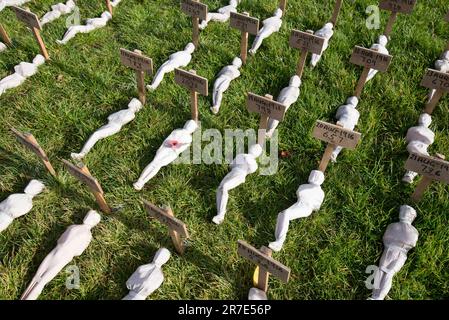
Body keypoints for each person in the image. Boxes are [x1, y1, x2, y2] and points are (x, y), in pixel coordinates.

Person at [21, 210, 101, 300]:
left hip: (57, 250)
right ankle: (30, 297)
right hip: (65, 256)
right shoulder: (88, 235)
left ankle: (25, 295)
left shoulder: (73, 227)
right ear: (95, 223)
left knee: (39, 273)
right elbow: (79, 252)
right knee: (45, 279)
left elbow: (59, 239)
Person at [370, 205, 419, 300]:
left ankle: (378, 297)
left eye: (406, 213)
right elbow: (386, 237)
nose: (404, 214)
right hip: (390, 250)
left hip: (399, 253)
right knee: (381, 270)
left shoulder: (413, 231)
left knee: (389, 273)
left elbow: (411, 243)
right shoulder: (393, 226)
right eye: (403, 212)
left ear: (412, 216)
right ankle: (374, 296)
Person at [269, 170, 325, 252]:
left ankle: (279, 242)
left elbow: (299, 193)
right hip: (302, 206)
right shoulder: (319, 192)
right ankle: (278, 241)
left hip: (305, 208)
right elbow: (317, 206)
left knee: (285, 214)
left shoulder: (304, 187)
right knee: (283, 214)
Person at [134, 120, 198, 190]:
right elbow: (171, 140)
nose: (189, 126)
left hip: (171, 152)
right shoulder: (179, 132)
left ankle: (142, 181)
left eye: (191, 126)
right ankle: (140, 181)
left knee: (157, 165)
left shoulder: (186, 136)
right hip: (167, 149)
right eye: (189, 124)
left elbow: (181, 147)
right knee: (155, 163)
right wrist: (175, 145)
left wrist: (176, 146)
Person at [71, 98, 143, 160]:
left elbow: (120, 119)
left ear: (136, 106)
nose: (131, 102)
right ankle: (82, 153)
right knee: (95, 135)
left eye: (133, 102)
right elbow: (110, 116)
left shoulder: (131, 115)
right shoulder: (124, 111)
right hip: (110, 124)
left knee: (96, 135)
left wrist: (115, 118)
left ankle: (82, 154)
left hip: (114, 126)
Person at [213, 144, 263, 225]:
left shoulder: (254, 164)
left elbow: (250, 170)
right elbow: (232, 165)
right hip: (233, 172)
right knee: (220, 188)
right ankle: (220, 212)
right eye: (254, 148)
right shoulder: (241, 156)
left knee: (225, 187)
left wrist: (247, 160)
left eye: (256, 150)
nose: (254, 150)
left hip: (239, 175)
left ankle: (221, 215)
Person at [402, 113, 435, 183]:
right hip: (419, 147)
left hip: (412, 145)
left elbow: (407, 139)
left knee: (421, 159)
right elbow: (430, 142)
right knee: (425, 160)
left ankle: (409, 175)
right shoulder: (430, 133)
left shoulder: (412, 129)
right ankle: (409, 175)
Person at [330, 96, 360, 162]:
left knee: (336, 136)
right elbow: (355, 123)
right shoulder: (357, 113)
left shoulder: (343, 107)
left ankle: (330, 150)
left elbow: (337, 116)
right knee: (342, 141)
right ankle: (334, 153)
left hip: (342, 123)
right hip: (350, 127)